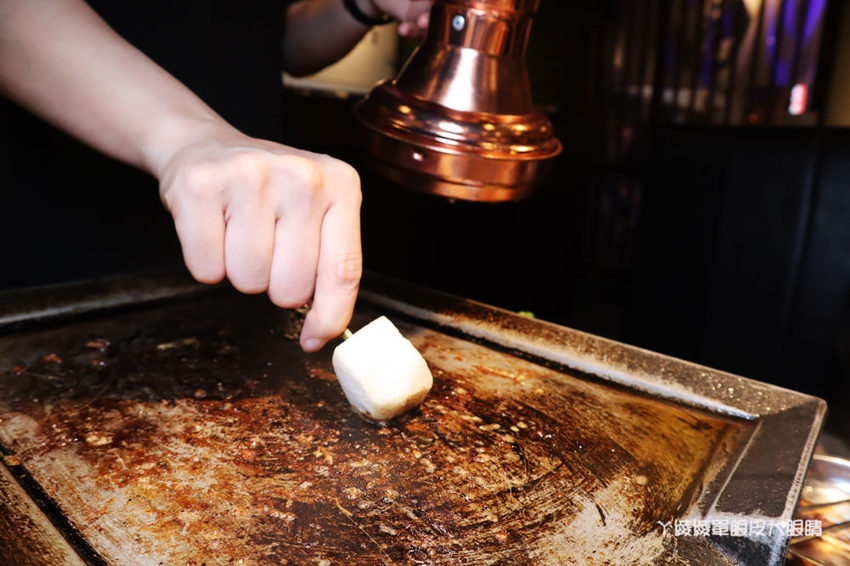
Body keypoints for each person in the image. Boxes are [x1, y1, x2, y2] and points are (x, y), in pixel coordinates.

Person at [0, 0, 431, 351]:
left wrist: (356, 6)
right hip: (72, 202)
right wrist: (186, 136)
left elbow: (271, 37)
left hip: (246, 207)